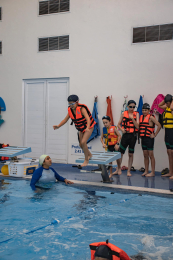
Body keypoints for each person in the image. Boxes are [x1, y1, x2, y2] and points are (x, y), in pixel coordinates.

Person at [53, 95, 96, 167]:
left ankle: (86, 160)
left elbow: (88, 119)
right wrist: (58, 126)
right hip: (81, 128)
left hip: (89, 127)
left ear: (77, 102)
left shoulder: (82, 109)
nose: (71, 105)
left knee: (83, 142)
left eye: (72, 104)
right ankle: (89, 155)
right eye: (69, 104)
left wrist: (88, 127)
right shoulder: (70, 110)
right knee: (80, 145)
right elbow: (65, 120)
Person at [117, 100, 139, 176]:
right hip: (125, 135)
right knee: (120, 153)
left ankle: (128, 171)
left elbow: (138, 126)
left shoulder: (137, 114)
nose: (132, 108)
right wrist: (122, 129)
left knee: (131, 154)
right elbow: (118, 124)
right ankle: (118, 168)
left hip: (133, 136)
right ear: (127, 106)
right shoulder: (123, 113)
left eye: (133, 107)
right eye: (130, 107)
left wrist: (133, 118)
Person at [139, 103, 161, 177]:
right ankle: (146, 171)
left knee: (151, 155)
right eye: (143, 110)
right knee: (145, 155)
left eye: (146, 110)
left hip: (149, 139)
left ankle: (153, 172)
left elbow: (159, 125)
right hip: (143, 138)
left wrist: (154, 134)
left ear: (148, 110)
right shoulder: (141, 117)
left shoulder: (151, 117)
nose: (144, 111)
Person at [158, 94, 173, 179]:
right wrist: (166, 98)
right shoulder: (166, 108)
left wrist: (172, 100)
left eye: (168, 103)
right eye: (166, 103)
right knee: (169, 152)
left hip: (172, 131)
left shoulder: (171, 109)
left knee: (172, 153)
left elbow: (171, 108)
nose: (166, 105)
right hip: (167, 132)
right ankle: (170, 172)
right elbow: (159, 105)